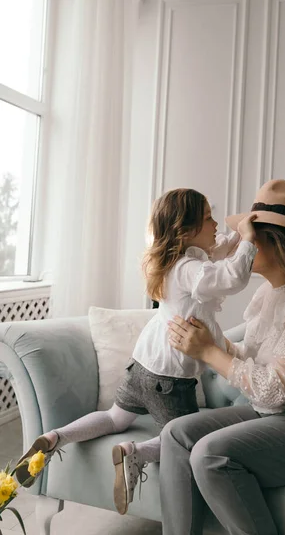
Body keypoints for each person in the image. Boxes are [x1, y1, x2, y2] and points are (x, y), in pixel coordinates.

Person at [15, 188, 257, 515]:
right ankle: (135, 453)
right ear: (185, 231)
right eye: (208, 218)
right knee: (182, 439)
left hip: (141, 364)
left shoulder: (176, 261)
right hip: (169, 377)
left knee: (115, 417)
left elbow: (216, 254)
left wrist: (237, 237)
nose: (215, 223)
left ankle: (56, 437)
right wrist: (250, 243)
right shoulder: (189, 270)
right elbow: (232, 277)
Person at [164, 179, 285, 535]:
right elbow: (251, 359)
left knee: (211, 455)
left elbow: (271, 389)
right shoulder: (270, 294)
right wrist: (213, 341)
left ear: (275, 242)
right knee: (176, 435)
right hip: (276, 414)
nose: (241, 244)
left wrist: (208, 352)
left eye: (249, 237)